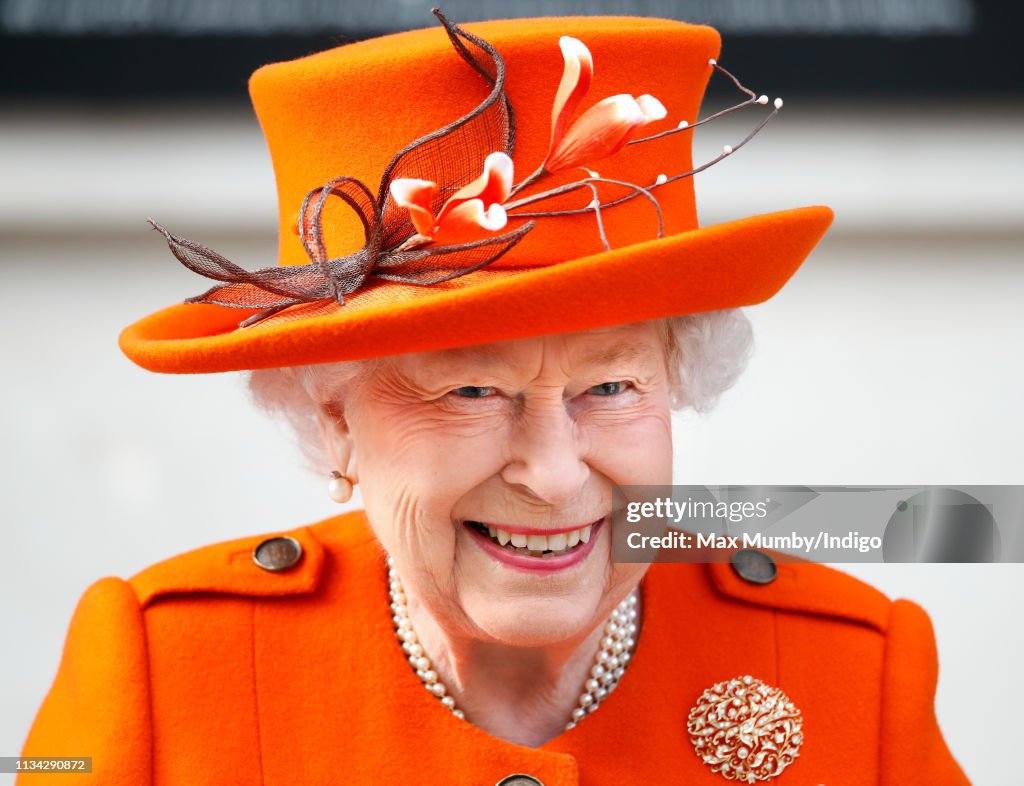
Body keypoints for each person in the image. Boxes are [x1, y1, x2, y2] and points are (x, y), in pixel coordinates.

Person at [19, 9, 970, 785]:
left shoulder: (852, 669)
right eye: (473, 390)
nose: (555, 476)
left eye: (611, 386)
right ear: (335, 417)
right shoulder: (168, 670)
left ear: (677, 383)